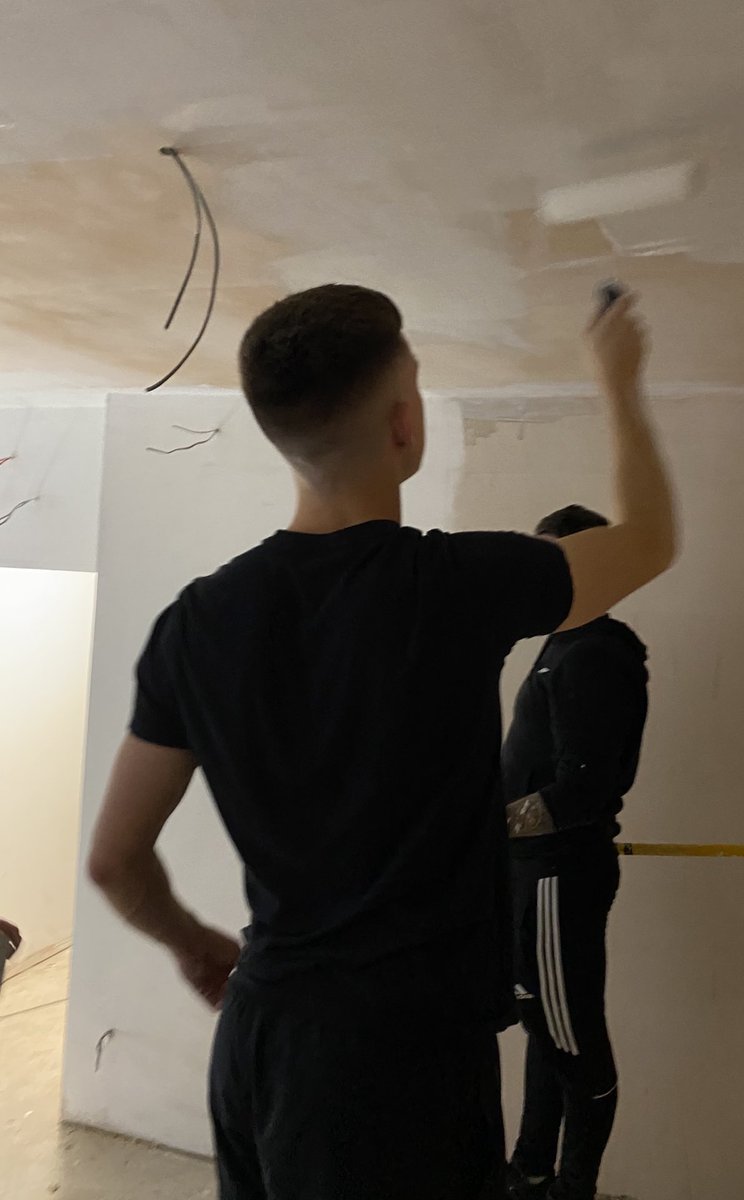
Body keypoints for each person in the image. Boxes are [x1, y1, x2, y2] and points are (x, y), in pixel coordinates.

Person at [88, 283, 675, 1200]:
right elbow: (651, 542)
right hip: (398, 1068)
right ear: (405, 424)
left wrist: (193, 941)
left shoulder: (196, 622)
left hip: (258, 1041)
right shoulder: (454, 584)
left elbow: (116, 862)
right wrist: (619, 380)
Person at [503, 504, 651, 1200]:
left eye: (548, 561)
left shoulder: (594, 652)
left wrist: (485, 826)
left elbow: (582, 791)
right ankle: (530, 1169)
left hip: (561, 875)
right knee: (543, 1026)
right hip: (534, 875)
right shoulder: (560, 643)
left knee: (573, 1043)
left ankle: (572, 1187)